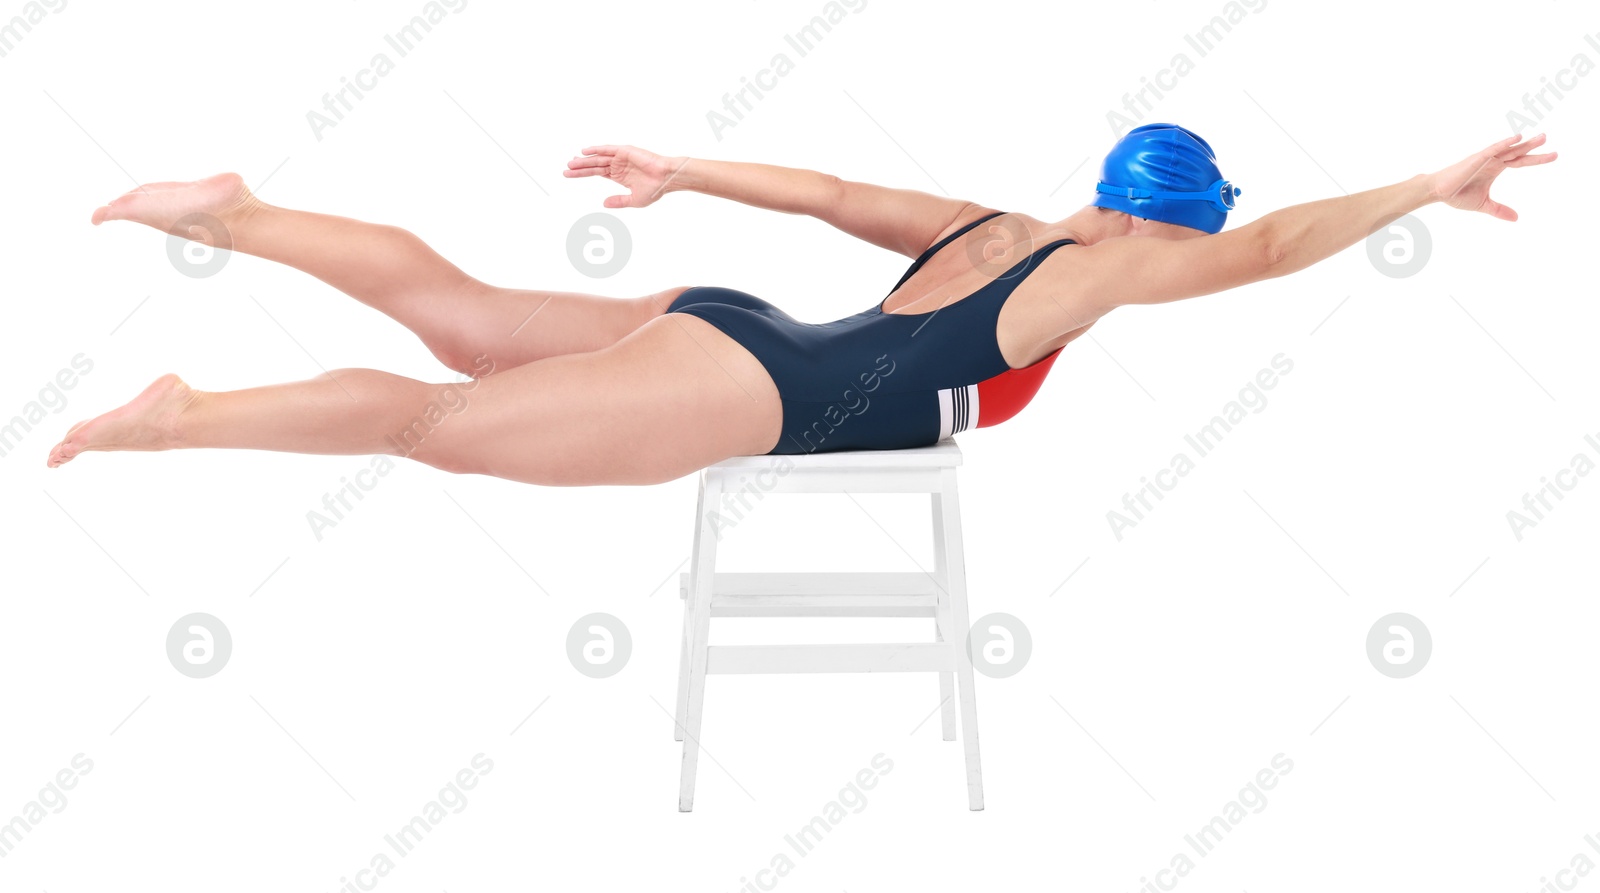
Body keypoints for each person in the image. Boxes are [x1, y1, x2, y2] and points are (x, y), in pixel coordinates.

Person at [49, 125, 1555, 486]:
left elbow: (835, 200)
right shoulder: (1104, 268)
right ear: (1176, 225)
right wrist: (1429, 185)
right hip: (758, 390)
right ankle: (185, 415)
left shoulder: (1006, 227)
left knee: (456, 310)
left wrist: (682, 170)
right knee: (438, 418)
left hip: (746, 324)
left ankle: (238, 217)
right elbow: (1282, 244)